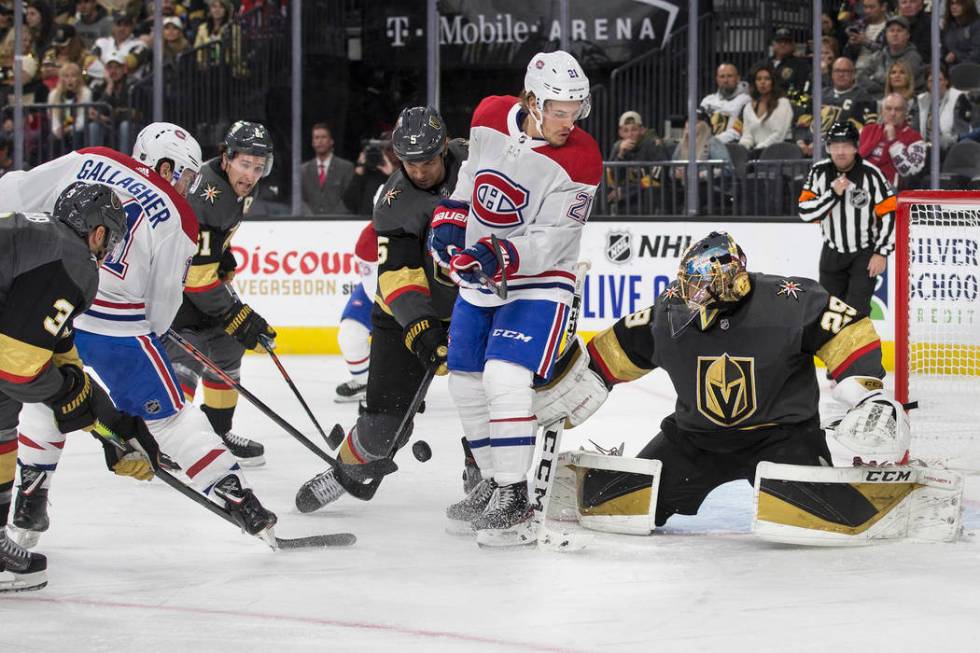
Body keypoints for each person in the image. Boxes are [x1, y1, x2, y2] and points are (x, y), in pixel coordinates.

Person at [0, 125, 278, 548]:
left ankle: (31, 501)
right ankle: (240, 500)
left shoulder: (91, 157)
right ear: (165, 165)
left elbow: (13, 194)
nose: (186, 185)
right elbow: (162, 308)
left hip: (55, 302)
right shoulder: (179, 214)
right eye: (184, 174)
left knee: (50, 396)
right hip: (120, 329)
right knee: (169, 419)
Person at [530, 231, 904, 532]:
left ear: (730, 283)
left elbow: (848, 330)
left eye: (700, 285)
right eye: (688, 283)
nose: (688, 294)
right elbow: (612, 354)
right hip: (695, 440)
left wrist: (866, 390)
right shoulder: (669, 314)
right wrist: (575, 380)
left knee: (821, 517)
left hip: (782, 435)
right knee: (613, 504)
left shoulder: (788, 302)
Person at [429, 50, 602, 547]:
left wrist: (493, 252)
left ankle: (513, 493)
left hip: (542, 280)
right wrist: (451, 221)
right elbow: (469, 181)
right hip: (482, 276)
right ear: (531, 100)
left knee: (504, 376)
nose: (569, 122)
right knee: (463, 381)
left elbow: (554, 237)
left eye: (576, 111)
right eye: (559, 111)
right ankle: (490, 483)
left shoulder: (583, 156)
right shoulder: (487, 116)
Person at [295, 105, 468, 512]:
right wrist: (422, 329)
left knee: (492, 398)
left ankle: (486, 479)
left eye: (426, 161)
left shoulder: (475, 160)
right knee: (381, 430)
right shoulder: (393, 202)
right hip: (404, 318)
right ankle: (345, 470)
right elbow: (398, 276)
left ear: (443, 147)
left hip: (475, 308)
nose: (419, 171)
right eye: (410, 163)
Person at [1, 183, 161, 593]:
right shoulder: (73, 261)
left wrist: (110, 425)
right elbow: (18, 369)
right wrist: (65, 395)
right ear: (99, 233)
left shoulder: (43, 239)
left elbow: (59, 351)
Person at [164, 120, 277, 466]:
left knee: (228, 345)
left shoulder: (243, 188)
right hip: (170, 286)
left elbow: (208, 242)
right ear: (226, 158)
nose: (251, 174)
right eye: (245, 163)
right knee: (188, 354)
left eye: (259, 167)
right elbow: (196, 280)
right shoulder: (206, 194)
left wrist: (221, 254)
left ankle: (217, 432)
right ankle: (167, 440)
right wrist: (236, 315)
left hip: (192, 277)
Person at [799, 121, 896, 320]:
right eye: (835, 146)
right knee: (828, 313)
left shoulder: (872, 174)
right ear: (828, 148)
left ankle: (860, 352)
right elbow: (805, 212)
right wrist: (832, 194)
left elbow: (890, 213)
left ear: (855, 147)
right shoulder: (819, 172)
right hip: (832, 251)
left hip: (864, 253)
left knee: (857, 314)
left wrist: (881, 252)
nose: (840, 152)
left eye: (845, 146)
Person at [796, 56, 878, 157]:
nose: (841, 74)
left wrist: (823, 144)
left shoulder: (863, 98)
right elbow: (802, 123)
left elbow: (862, 131)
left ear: (853, 74)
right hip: (807, 147)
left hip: (838, 151)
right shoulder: (819, 95)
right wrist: (800, 142)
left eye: (845, 71)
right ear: (832, 74)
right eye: (837, 71)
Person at [333, 221, 378, 403]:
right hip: (375, 283)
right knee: (351, 333)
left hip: (409, 280)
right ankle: (364, 381)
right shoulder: (369, 238)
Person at [859, 92, 926, 188]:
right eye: (888, 108)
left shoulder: (915, 138)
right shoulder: (867, 130)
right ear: (882, 111)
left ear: (905, 112)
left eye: (898, 109)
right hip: (860, 181)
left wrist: (893, 141)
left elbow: (909, 171)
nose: (893, 113)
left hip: (887, 186)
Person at [605, 111, 667, 212]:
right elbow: (611, 178)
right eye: (626, 131)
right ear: (620, 133)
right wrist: (621, 155)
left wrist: (626, 191)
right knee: (602, 192)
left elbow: (657, 178)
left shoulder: (653, 144)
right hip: (626, 194)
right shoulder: (618, 146)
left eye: (634, 130)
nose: (630, 134)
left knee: (650, 191)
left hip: (646, 194)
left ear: (642, 130)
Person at [916, 62, 973, 155]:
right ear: (927, 84)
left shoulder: (958, 98)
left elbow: (962, 134)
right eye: (931, 81)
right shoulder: (921, 100)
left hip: (953, 150)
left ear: (946, 81)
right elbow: (915, 131)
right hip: (926, 151)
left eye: (939, 80)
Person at [859, 16, 924, 95]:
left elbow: (901, 83)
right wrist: (884, 87)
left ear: (907, 35)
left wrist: (874, 77)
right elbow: (861, 78)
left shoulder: (913, 57)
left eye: (899, 31)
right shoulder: (879, 55)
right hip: (876, 99)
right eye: (891, 31)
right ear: (886, 35)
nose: (895, 34)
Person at [738, 63, 794, 156]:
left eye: (767, 79)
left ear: (773, 82)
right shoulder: (748, 107)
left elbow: (779, 134)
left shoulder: (783, 103)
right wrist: (742, 149)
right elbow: (747, 136)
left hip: (780, 154)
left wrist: (758, 150)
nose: (762, 82)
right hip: (756, 155)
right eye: (759, 79)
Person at [301, 122, 354, 216]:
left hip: (339, 222)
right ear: (312, 143)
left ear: (331, 141)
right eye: (316, 138)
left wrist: (331, 220)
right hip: (310, 223)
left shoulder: (346, 168)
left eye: (323, 137)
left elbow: (349, 199)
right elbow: (300, 199)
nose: (320, 141)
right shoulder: (303, 170)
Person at [342, 133, 397, 215]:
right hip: (365, 223)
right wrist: (359, 172)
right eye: (388, 149)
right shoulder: (364, 174)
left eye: (394, 149)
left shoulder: (404, 172)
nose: (392, 153)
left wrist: (391, 175)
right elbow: (349, 203)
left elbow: (402, 202)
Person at [698, 62, 752, 145]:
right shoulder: (707, 101)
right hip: (705, 145)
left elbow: (737, 132)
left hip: (731, 147)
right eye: (722, 77)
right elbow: (697, 127)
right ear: (717, 79)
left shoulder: (746, 101)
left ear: (738, 78)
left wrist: (712, 142)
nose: (725, 80)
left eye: (730, 76)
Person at [845, 0, 891, 75]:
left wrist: (865, 41)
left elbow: (886, 52)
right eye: (865, 7)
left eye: (872, 7)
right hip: (857, 70)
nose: (868, 11)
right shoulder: (859, 24)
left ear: (883, 7)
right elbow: (848, 54)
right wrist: (853, 45)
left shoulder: (891, 26)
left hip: (879, 72)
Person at [880, 60, 920, 130]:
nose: (897, 75)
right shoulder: (881, 103)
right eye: (893, 72)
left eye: (902, 72)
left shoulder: (917, 103)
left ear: (908, 77)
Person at [943, 0, 980, 65]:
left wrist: (956, 56)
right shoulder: (949, 25)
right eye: (951, 3)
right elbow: (942, 51)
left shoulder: (977, 25)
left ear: (968, 5)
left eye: (958, 3)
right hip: (949, 69)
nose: (953, 7)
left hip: (972, 69)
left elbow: (977, 54)